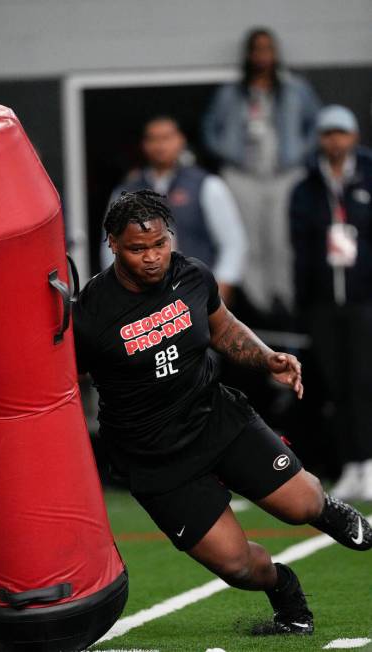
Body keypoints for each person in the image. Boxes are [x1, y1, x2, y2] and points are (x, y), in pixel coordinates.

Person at [73, 189, 372, 636]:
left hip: (216, 417)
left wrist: (266, 357)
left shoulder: (192, 276)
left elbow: (223, 326)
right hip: (154, 456)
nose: (152, 257)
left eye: (159, 244)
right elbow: (55, 391)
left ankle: (328, 508)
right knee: (237, 566)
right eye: (138, 249)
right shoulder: (89, 313)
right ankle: (285, 588)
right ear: (112, 244)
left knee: (302, 503)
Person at [203, 27, 320, 326]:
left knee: (281, 237)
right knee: (248, 237)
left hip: (283, 174)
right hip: (243, 175)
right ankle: (257, 302)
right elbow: (209, 130)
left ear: (276, 53)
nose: (262, 56)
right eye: (257, 49)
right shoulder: (230, 91)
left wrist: (298, 157)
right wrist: (230, 155)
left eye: (268, 49)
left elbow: (314, 126)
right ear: (248, 54)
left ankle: (282, 297)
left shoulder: (296, 89)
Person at [290, 105, 372, 501]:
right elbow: (300, 245)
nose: (334, 140)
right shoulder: (306, 186)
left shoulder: (368, 177)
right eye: (327, 134)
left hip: (363, 298)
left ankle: (368, 462)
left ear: (353, 136)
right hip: (323, 301)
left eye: (341, 132)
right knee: (336, 384)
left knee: (363, 380)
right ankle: (351, 465)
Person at [100, 116, 247, 306]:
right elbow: (109, 247)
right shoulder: (126, 191)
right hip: (143, 298)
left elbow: (233, 243)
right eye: (153, 139)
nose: (160, 145)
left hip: (197, 291)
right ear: (144, 145)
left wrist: (220, 289)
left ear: (181, 140)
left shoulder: (206, 184)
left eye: (167, 138)